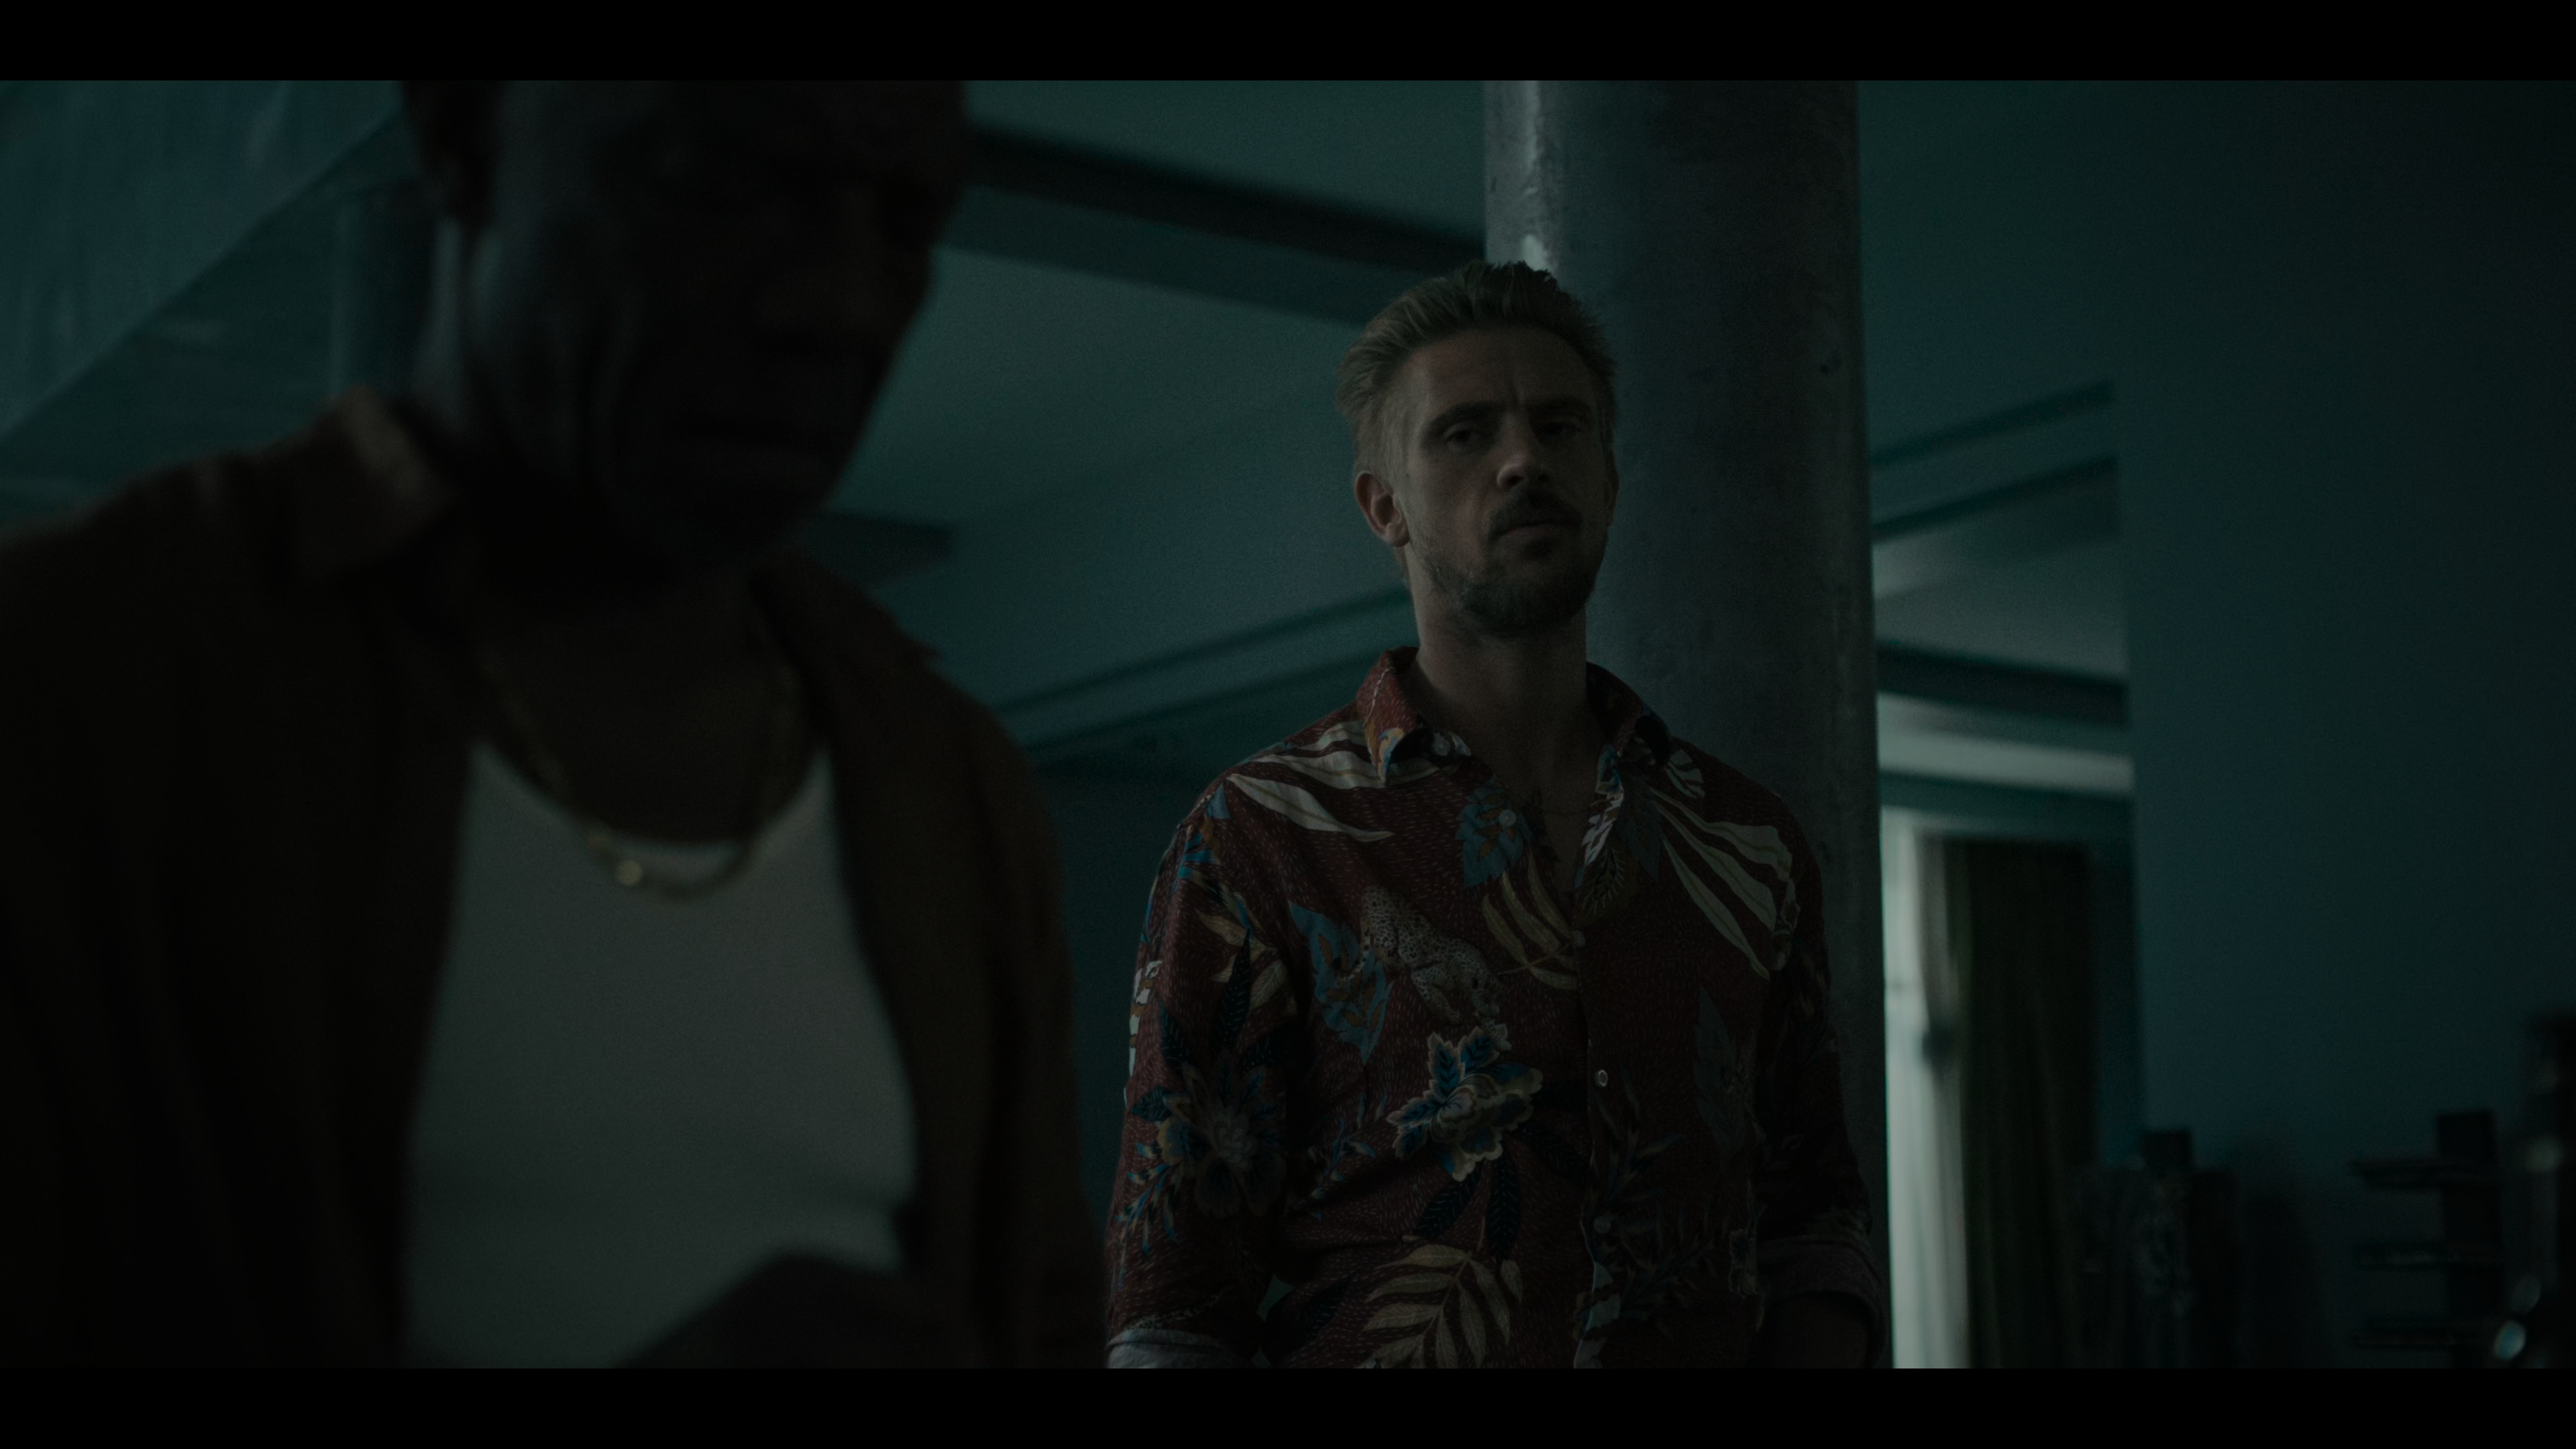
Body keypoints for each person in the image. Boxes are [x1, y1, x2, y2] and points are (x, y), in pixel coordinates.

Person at [0, 81, 1099, 1366]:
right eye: (718, 180)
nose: (841, 304)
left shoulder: (947, 784)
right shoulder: (77, 685)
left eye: (905, 221)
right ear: (462, 134)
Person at [1102, 262, 1882, 1367]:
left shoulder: (1744, 839)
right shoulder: (1260, 837)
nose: (1525, 460)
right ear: (1385, 507)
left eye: (1560, 427)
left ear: (1608, 479)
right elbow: (1174, 1304)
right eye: (1465, 434)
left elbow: (1814, 1223)